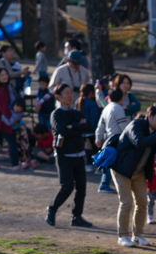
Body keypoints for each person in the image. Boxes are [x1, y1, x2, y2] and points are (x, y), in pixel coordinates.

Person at [111, 104, 156, 247]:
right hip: (122, 170)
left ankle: (138, 235)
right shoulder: (135, 125)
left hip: (139, 172)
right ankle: (123, 236)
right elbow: (140, 142)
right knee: (126, 203)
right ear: (150, 117)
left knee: (142, 203)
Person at [46, 82, 93, 228]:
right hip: (64, 156)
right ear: (58, 96)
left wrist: (73, 126)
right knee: (67, 187)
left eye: (70, 92)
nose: (70, 95)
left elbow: (89, 125)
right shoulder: (56, 114)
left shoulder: (74, 112)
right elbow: (62, 131)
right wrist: (78, 128)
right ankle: (51, 209)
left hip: (79, 155)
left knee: (81, 189)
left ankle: (76, 217)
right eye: (66, 93)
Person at [95, 87, 129, 193]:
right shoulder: (118, 109)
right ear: (121, 97)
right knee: (112, 161)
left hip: (108, 138)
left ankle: (105, 183)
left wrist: (98, 137)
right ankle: (104, 184)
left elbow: (101, 125)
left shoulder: (107, 108)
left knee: (109, 160)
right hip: (117, 139)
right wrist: (129, 138)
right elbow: (123, 126)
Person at [5, 98, 36, 170]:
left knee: (26, 146)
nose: (18, 108)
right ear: (13, 104)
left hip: (22, 130)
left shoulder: (19, 114)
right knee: (20, 146)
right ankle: (26, 161)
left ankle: (33, 161)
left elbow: (10, 123)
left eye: (21, 107)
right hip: (17, 132)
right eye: (17, 106)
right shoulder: (10, 110)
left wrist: (3, 118)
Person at [75, 84, 101, 171]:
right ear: (91, 92)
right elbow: (95, 116)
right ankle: (97, 165)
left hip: (82, 130)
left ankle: (88, 164)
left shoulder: (77, 101)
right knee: (95, 148)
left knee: (87, 148)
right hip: (91, 130)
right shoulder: (92, 103)